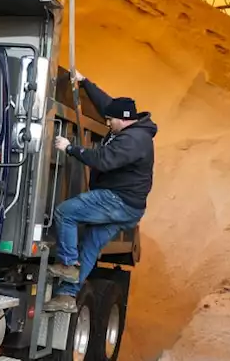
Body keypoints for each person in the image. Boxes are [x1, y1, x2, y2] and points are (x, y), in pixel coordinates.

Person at [44, 72, 157, 313]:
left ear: (123, 120)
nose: (107, 124)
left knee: (65, 213)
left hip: (118, 201)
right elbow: (108, 104)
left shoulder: (134, 141)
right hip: (129, 206)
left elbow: (103, 160)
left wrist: (70, 148)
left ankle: (67, 263)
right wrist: (85, 83)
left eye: (110, 121)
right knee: (91, 246)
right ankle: (67, 296)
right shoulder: (127, 125)